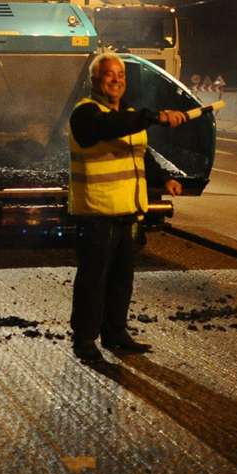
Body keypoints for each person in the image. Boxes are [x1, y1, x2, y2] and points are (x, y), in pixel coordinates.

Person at [68, 52, 188, 363]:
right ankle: (84, 339)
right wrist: (153, 116)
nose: (116, 80)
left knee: (122, 278)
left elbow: (141, 153)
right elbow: (110, 126)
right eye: (109, 74)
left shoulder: (129, 115)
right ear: (94, 81)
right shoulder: (86, 115)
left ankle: (116, 333)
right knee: (93, 280)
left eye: (121, 75)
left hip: (126, 211)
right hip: (97, 212)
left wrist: (164, 178)